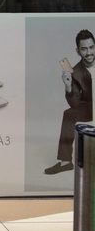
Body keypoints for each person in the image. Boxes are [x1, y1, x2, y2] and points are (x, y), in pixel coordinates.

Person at [45, 29, 95, 174]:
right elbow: (75, 104)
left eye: (91, 47)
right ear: (78, 51)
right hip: (89, 106)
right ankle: (65, 162)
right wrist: (68, 86)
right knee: (69, 114)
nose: (89, 52)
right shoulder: (76, 71)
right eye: (84, 49)